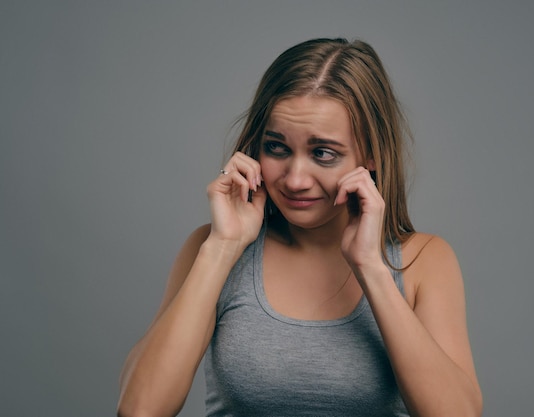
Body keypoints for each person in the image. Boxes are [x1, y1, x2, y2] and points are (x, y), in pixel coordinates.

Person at [117, 38, 482, 417]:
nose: (294, 180)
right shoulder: (210, 248)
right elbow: (140, 409)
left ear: (371, 154)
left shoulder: (423, 260)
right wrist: (223, 247)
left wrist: (371, 268)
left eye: (323, 153)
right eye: (277, 148)